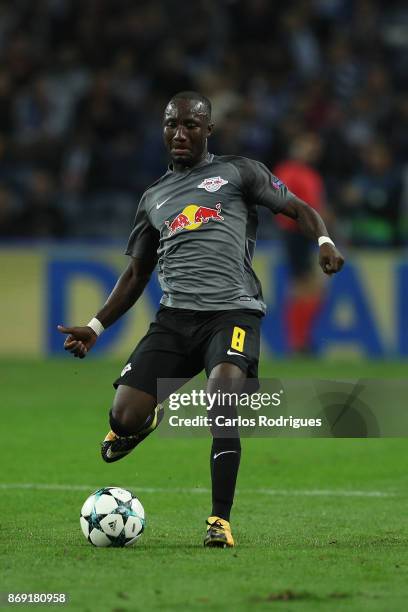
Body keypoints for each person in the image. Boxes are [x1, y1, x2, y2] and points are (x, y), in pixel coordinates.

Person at [58, 91, 344, 548]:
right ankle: (144, 421)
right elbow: (136, 273)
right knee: (123, 415)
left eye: (191, 125)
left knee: (221, 403)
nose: (180, 133)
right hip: (175, 319)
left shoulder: (239, 172)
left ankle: (219, 521)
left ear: (208, 130)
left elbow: (298, 209)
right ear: (163, 130)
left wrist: (324, 241)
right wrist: (95, 327)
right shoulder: (154, 197)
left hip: (233, 312)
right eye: (172, 125)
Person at [274, 131, 329, 354]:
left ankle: (300, 341)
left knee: (311, 289)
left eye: (315, 148)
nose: (312, 151)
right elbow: (284, 205)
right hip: (296, 234)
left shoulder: (309, 174)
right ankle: (298, 343)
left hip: (308, 235)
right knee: (304, 288)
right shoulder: (288, 171)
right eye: (308, 146)